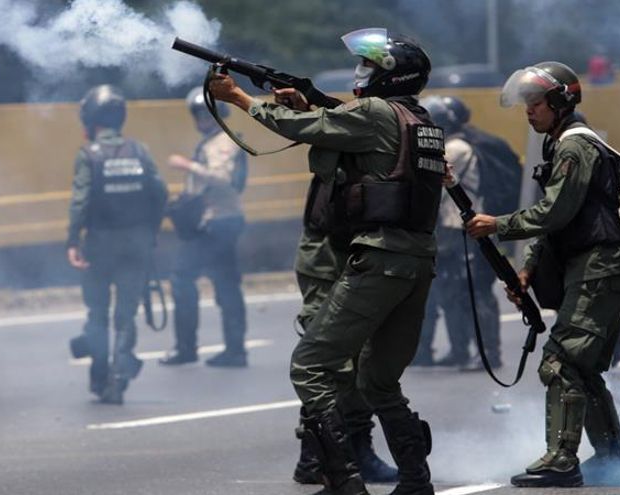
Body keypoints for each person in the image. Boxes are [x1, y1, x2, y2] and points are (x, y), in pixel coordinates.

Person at [210, 27, 439, 495]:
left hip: (378, 258)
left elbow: (302, 129)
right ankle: (416, 481)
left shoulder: (375, 111)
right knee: (378, 380)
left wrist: (236, 97)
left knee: (311, 365)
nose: (363, 72)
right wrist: (310, 105)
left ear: (392, 77)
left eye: (371, 66)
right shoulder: (420, 120)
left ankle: (343, 480)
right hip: (415, 262)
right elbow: (344, 133)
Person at [466, 62, 620, 487]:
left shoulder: (574, 148)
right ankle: (612, 459)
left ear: (560, 101)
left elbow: (554, 212)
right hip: (595, 266)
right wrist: (526, 270)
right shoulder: (562, 143)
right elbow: (558, 223)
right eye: (526, 103)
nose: (529, 111)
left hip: (599, 266)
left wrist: (498, 225)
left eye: (536, 103)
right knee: (582, 368)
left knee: (561, 361)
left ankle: (562, 460)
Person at [66, 84, 168, 404]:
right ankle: (120, 378)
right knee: (126, 314)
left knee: (97, 312)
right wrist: (150, 231)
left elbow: (80, 202)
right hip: (137, 244)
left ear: (91, 119)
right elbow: (160, 192)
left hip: (100, 245)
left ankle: (99, 378)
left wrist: (72, 240)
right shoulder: (139, 151)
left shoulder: (89, 155)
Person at [414, 95, 514, 370]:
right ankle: (460, 350)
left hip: (466, 230)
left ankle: (488, 354)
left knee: (476, 291)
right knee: (451, 292)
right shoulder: (454, 145)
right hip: (450, 230)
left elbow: (422, 173)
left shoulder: (455, 148)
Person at [291, 229, 398, 484]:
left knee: (353, 353)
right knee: (328, 357)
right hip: (331, 257)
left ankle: (322, 457)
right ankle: (323, 457)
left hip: (354, 253)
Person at [160, 87, 249, 368]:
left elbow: (221, 178)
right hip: (208, 223)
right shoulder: (210, 142)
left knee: (218, 285)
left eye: (208, 114)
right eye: (198, 115)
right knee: (190, 281)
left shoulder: (223, 142)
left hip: (219, 223)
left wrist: (187, 166)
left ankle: (230, 350)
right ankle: (197, 347)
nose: (202, 120)